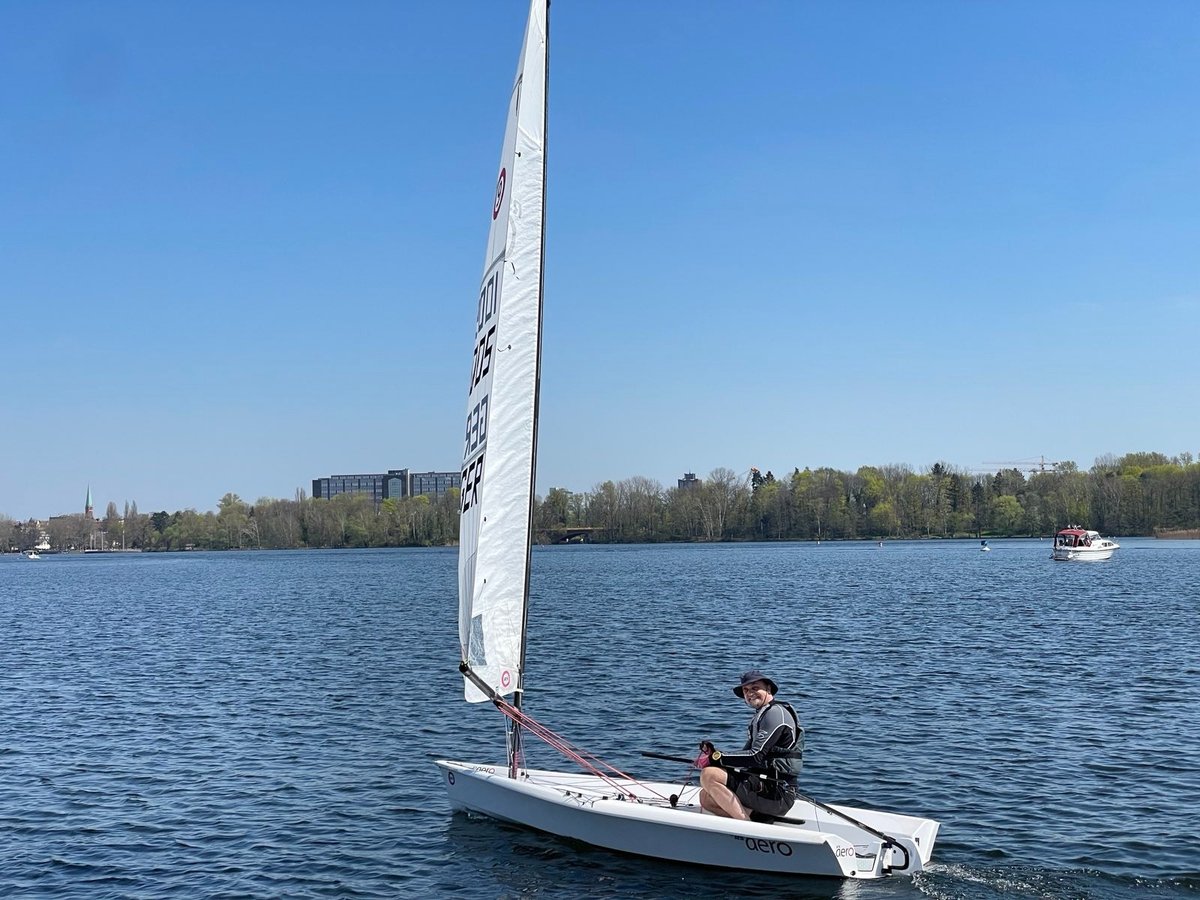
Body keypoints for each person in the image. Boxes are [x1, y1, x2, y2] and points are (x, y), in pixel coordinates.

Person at [697, 669, 804, 822]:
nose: (749, 693)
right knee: (705, 797)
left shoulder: (775, 713)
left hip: (778, 791)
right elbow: (744, 758)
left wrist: (717, 758)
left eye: (755, 688)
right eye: (746, 690)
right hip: (761, 785)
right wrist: (714, 754)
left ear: (768, 689)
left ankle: (745, 826)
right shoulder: (761, 716)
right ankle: (759, 818)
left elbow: (755, 756)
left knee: (709, 775)